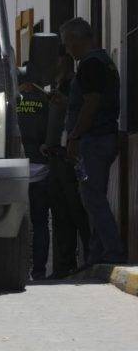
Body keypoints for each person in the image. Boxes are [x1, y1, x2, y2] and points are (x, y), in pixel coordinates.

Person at [61, 17, 125, 266]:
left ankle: (112, 253)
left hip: (94, 140)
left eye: (68, 43)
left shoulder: (90, 65)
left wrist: (74, 135)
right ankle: (96, 256)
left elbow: (91, 104)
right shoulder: (105, 62)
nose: (68, 49)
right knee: (94, 197)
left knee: (92, 199)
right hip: (104, 137)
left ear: (78, 39)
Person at [42, 50, 90, 277]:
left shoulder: (73, 86)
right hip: (54, 156)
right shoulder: (56, 88)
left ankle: (91, 255)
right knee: (60, 212)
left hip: (67, 157)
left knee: (76, 209)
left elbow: (81, 112)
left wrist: (66, 101)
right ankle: (64, 264)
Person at [17, 73, 52, 280]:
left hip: (16, 167)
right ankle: (38, 271)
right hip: (41, 167)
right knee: (40, 223)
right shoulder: (46, 101)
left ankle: (17, 268)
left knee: (16, 221)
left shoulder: (9, 101)